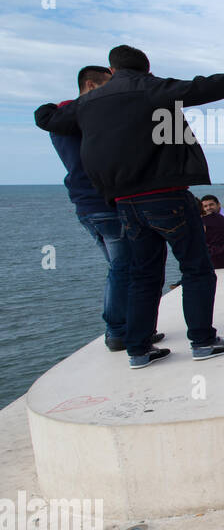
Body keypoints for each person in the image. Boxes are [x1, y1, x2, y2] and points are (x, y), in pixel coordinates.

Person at [35, 44, 224, 368]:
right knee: (196, 269)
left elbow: (47, 117)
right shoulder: (151, 88)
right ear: (146, 69)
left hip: (125, 204)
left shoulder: (87, 103)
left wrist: (63, 103)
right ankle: (202, 341)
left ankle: (138, 350)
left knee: (142, 276)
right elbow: (204, 87)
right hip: (167, 196)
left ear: (112, 70)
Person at [45, 65, 165, 353]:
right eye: (107, 86)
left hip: (84, 203)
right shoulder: (84, 114)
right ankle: (119, 332)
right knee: (125, 268)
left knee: (120, 267)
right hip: (104, 201)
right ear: (89, 84)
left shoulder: (61, 117)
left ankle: (128, 328)